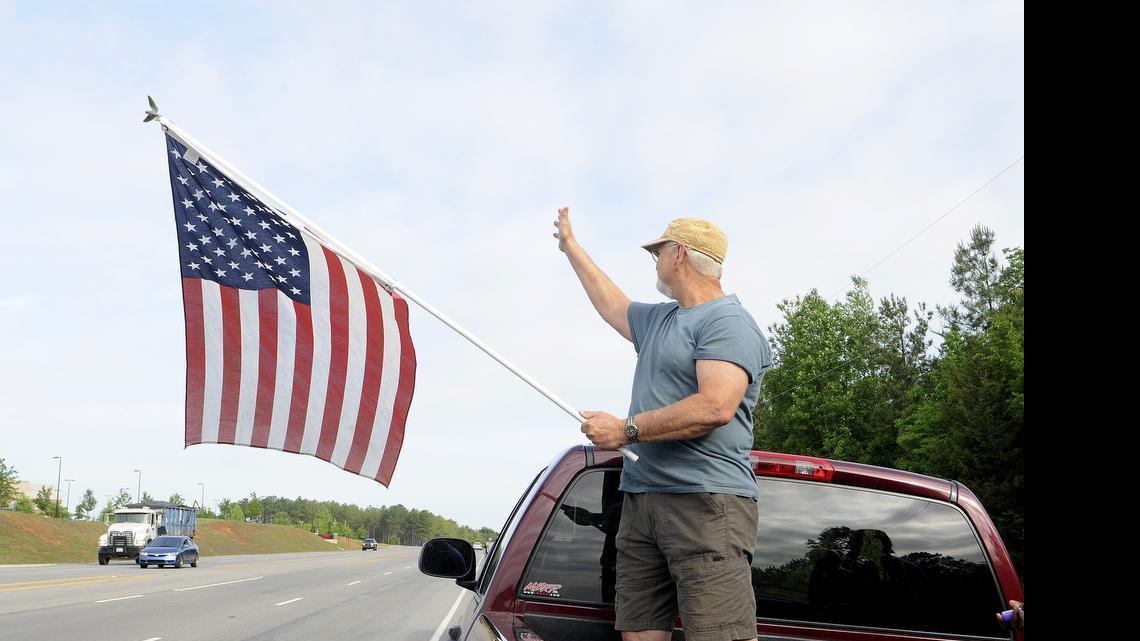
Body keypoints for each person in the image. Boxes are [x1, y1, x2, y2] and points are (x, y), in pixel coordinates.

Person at [553, 207, 772, 641]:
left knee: (720, 636)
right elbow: (611, 301)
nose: (654, 261)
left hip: (705, 503)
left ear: (680, 254)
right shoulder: (660, 319)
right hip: (641, 500)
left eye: (658, 252)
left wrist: (625, 430)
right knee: (639, 633)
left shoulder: (728, 322)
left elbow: (714, 407)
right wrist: (572, 249)